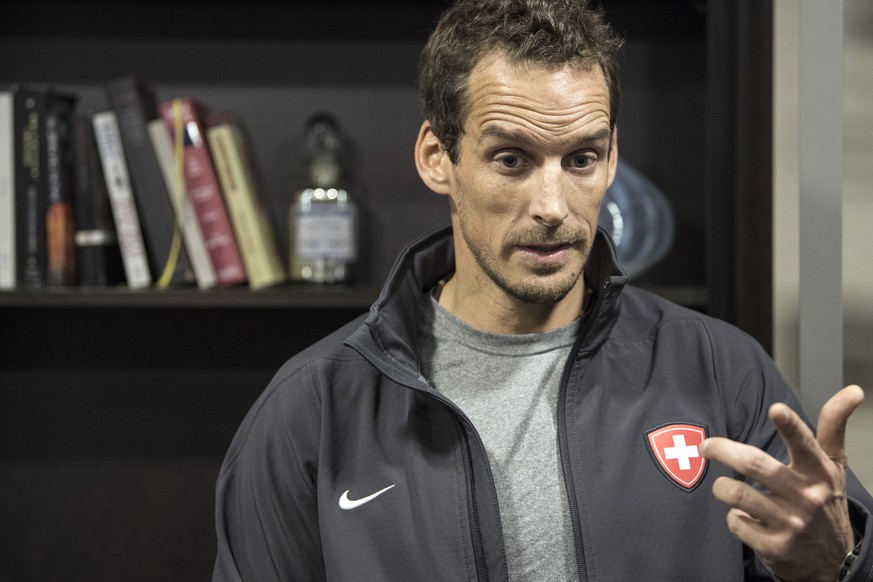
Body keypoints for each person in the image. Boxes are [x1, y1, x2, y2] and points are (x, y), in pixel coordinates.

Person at [212, 0, 872, 580]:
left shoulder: (721, 373)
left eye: (580, 158)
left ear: (611, 157)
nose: (552, 205)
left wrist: (832, 568)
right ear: (436, 157)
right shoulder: (312, 411)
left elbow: (833, 558)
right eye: (511, 160)